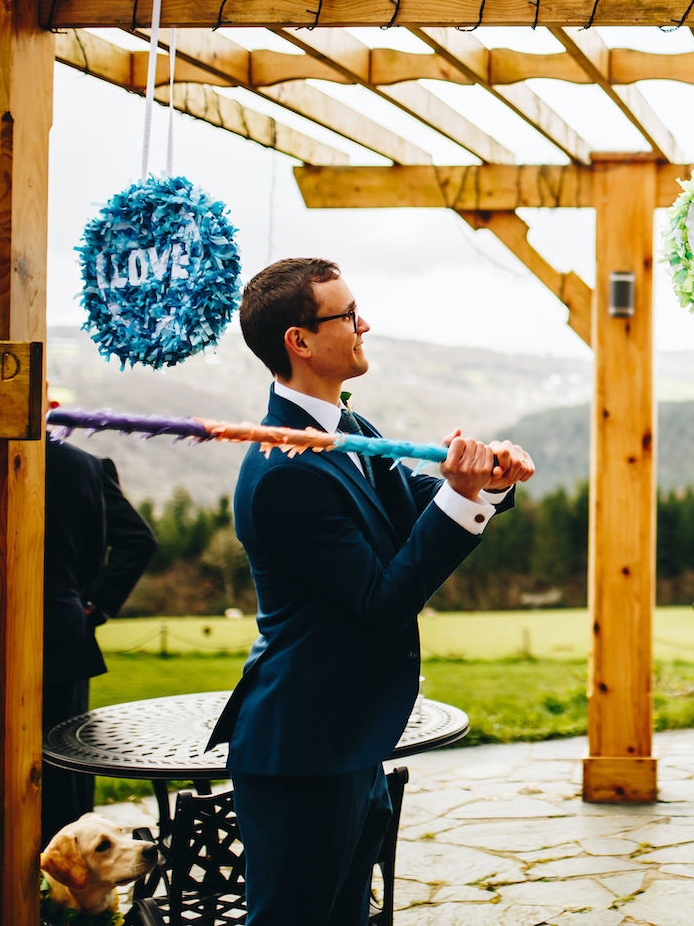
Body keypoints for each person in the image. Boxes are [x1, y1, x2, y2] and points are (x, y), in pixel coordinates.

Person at [205, 257, 534, 926]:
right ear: (300, 340)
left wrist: (487, 482)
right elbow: (383, 599)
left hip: (349, 740)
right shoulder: (281, 473)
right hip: (300, 747)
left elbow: (416, 504)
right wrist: (462, 500)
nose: (366, 324)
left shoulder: (350, 428)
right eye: (349, 315)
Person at [42, 436, 160, 840]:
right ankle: (71, 894)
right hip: (61, 631)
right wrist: (93, 603)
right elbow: (138, 540)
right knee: (63, 769)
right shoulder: (83, 466)